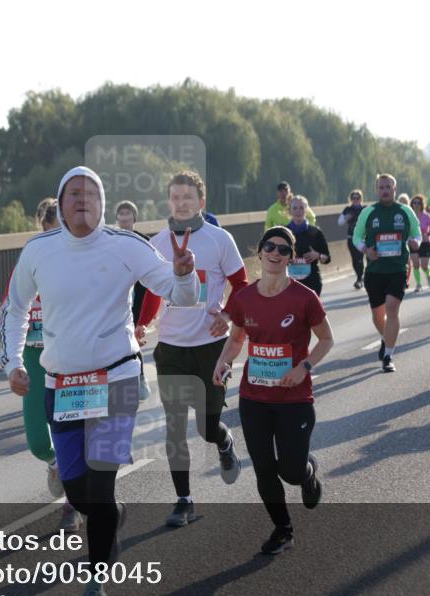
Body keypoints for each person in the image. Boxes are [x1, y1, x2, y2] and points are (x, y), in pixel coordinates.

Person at [0, 165, 198, 596]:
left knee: (101, 484)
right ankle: (108, 516)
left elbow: (179, 293)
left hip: (116, 379)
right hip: (62, 385)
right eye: (73, 193)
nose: (82, 198)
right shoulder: (38, 251)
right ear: (60, 201)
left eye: (90, 192)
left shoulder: (126, 246)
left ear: (103, 201)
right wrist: (12, 364)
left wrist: (184, 274)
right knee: (77, 490)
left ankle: (96, 582)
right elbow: (15, 310)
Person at [134, 171, 248, 528]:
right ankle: (183, 500)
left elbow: (241, 285)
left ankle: (224, 439)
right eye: (175, 197)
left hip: (210, 347)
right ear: (168, 202)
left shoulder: (219, 239)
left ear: (202, 201)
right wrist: (142, 323)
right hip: (171, 349)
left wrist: (228, 315)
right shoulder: (156, 244)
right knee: (174, 427)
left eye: (187, 197)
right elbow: (153, 291)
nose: (181, 203)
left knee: (206, 426)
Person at [212, 226, 333, 554]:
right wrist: (223, 362)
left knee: (290, 471)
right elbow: (237, 339)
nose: (276, 253)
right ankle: (283, 529)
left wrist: (303, 367)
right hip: (255, 398)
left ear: (291, 257)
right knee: (264, 468)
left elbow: (326, 339)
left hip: (294, 398)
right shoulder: (244, 297)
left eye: (283, 249)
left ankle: (307, 473)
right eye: (270, 247)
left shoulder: (304, 298)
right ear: (260, 252)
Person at [0, 198, 83, 531]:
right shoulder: (30, 259)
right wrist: (10, 355)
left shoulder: (78, 262)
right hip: (34, 356)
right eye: (47, 233)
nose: (52, 241)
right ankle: (55, 463)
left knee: (73, 431)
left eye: (58, 233)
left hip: (68, 356)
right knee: (37, 441)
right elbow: (11, 307)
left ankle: (72, 504)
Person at [352, 174, 422, 372]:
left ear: (395, 189)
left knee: (392, 308)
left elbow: (417, 232)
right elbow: (357, 238)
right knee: (377, 315)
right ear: (377, 190)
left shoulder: (405, 210)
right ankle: (386, 338)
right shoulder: (369, 212)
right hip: (375, 270)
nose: (385, 190)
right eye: (381, 187)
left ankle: (389, 355)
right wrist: (366, 250)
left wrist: (416, 241)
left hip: (398, 268)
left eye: (388, 187)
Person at [115, 200, 153, 400]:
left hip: (138, 295)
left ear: (134, 218)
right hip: (117, 297)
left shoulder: (144, 241)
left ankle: (140, 376)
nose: (124, 217)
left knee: (133, 337)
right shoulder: (110, 241)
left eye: (128, 213)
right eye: (121, 214)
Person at [286, 195, 331, 295]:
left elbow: (327, 258)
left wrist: (318, 255)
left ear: (306, 210)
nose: (298, 211)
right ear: (290, 211)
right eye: (295, 208)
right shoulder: (284, 233)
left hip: (312, 283)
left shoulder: (315, 232)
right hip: (290, 284)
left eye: (301, 208)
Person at [337, 189, 366, 288]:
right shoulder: (347, 209)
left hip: (362, 238)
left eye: (357, 198)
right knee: (354, 259)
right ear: (350, 199)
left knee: (360, 258)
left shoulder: (365, 209)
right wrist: (346, 218)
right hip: (351, 237)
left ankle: (359, 279)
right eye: (353, 198)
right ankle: (359, 276)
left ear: (361, 198)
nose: (355, 199)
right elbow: (340, 222)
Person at [409, 195, 430, 292]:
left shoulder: (426, 216)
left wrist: (428, 234)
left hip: (424, 243)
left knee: (424, 265)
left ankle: (429, 277)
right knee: (416, 264)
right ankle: (418, 284)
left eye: (418, 203)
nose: (416, 205)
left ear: (422, 205)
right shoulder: (409, 216)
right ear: (411, 204)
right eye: (414, 203)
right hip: (413, 243)